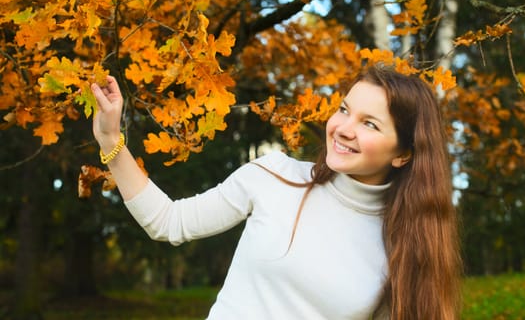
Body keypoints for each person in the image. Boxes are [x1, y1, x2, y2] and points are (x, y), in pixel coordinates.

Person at [91, 65, 462, 320]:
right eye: (344, 109)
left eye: (369, 123)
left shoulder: (404, 244)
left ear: (402, 154)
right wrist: (111, 140)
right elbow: (169, 222)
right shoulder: (274, 175)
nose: (344, 128)